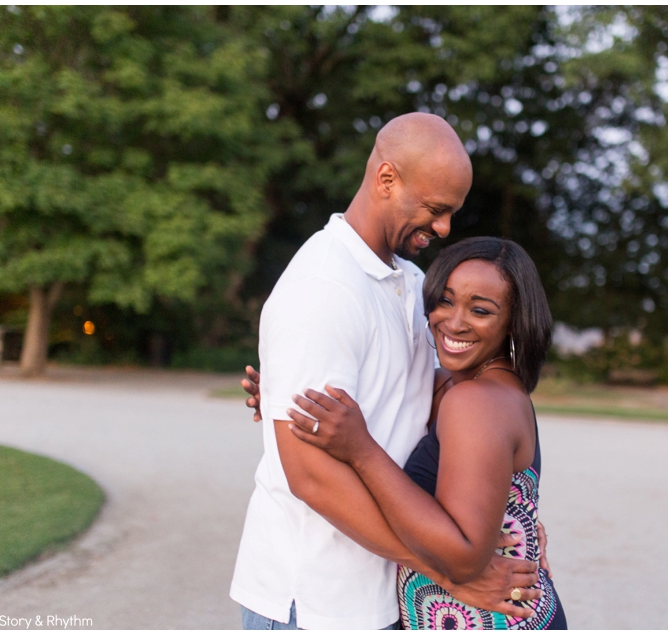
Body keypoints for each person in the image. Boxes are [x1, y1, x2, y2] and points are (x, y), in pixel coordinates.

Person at [230, 113, 542, 630]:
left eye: (452, 213)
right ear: (386, 179)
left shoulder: (413, 283)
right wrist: (453, 572)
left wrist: (510, 515)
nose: (444, 228)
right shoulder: (322, 287)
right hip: (316, 602)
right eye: (436, 209)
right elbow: (310, 475)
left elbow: (431, 398)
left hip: (382, 596)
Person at [283, 237, 567, 629]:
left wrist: (362, 451)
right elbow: (381, 397)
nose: (454, 322)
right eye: (445, 301)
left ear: (514, 322)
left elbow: (463, 558)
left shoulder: (476, 401)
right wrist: (285, 393)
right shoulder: (457, 386)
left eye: (480, 310)